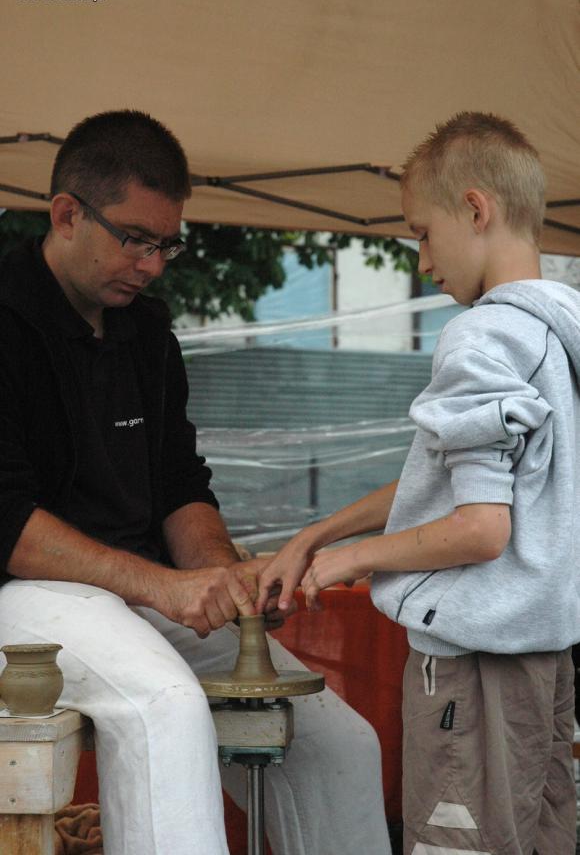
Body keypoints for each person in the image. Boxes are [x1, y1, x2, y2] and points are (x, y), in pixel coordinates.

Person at [0, 110, 391, 855]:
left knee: (339, 742)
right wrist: (162, 587)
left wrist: (222, 576)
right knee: (167, 709)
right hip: (19, 598)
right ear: (65, 214)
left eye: (166, 244)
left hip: (136, 597)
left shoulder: (147, 331)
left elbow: (180, 483)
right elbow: (8, 521)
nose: (152, 265)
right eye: (135, 240)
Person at [257, 111, 580, 855]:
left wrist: (354, 560)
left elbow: (481, 526)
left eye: (422, 233)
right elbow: (452, 482)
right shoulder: (558, 333)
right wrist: (319, 533)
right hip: (542, 656)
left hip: (473, 665)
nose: (421, 260)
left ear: (475, 208)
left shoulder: (482, 335)